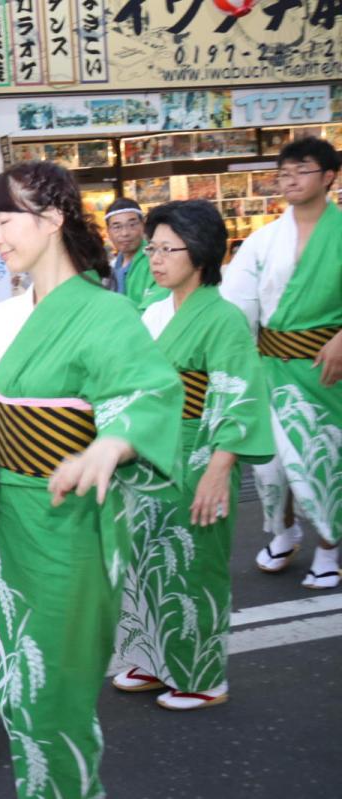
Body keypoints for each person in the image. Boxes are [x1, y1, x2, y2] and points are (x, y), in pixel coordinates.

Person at [0, 161, 182, 798]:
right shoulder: (6, 318)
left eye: (6, 219)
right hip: (11, 522)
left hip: (72, 526)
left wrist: (113, 443)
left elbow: (147, 392)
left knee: (55, 695)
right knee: (16, 689)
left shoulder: (107, 313)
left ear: (54, 218)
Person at [114, 200, 274, 711]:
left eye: (167, 249)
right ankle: (153, 657)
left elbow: (237, 392)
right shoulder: (156, 311)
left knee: (191, 568)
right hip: (146, 460)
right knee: (144, 562)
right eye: (152, 248)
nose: (155, 258)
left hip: (196, 456)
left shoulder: (222, 318)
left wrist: (220, 467)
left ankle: (203, 675)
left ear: (200, 253)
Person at [222, 136, 342, 589]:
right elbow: (237, 305)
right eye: (284, 173)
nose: (290, 180)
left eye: (302, 170)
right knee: (271, 465)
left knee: (322, 458)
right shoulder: (264, 239)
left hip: (326, 372)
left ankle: (330, 546)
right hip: (270, 366)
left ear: (329, 176)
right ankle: (284, 531)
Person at [104, 197, 168, 311]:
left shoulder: (156, 261)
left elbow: (155, 309)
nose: (125, 233)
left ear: (143, 226)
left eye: (132, 225)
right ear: (108, 231)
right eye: (117, 227)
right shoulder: (112, 266)